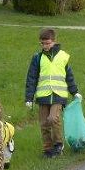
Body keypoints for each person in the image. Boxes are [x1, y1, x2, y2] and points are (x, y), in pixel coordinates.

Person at [24, 27, 81, 158]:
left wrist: (75, 92)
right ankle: (47, 149)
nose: (45, 46)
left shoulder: (63, 57)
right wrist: (29, 98)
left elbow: (69, 77)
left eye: (47, 43)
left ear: (54, 41)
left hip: (58, 95)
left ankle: (58, 145)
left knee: (53, 119)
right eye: (42, 43)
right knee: (44, 123)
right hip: (43, 96)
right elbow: (31, 78)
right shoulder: (37, 58)